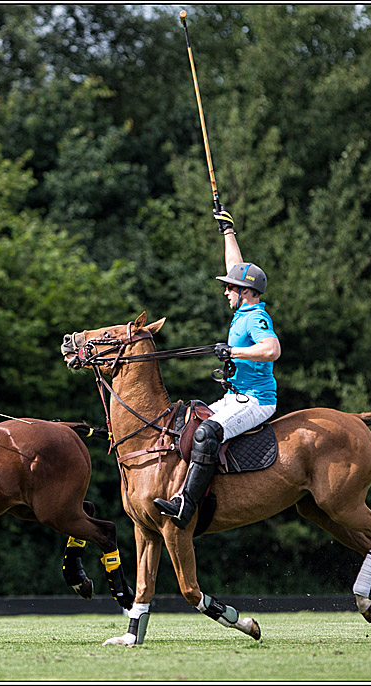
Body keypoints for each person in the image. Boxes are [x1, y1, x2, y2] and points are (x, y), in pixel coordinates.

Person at [154, 207, 281, 529]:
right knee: (187, 426)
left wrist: (234, 351)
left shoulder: (255, 317)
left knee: (207, 432)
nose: (225, 291)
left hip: (257, 400)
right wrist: (227, 231)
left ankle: (186, 505)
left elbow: (272, 349)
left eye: (230, 288)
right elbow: (235, 268)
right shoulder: (243, 310)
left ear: (246, 292)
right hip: (235, 395)